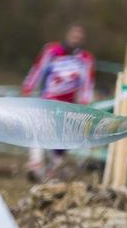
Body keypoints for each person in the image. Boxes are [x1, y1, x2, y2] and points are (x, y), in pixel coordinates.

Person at [22, 23, 96, 180]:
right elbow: (38, 69)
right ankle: (35, 164)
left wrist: (84, 102)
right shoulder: (52, 50)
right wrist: (28, 87)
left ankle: (54, 170)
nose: (75, 39)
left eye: (79, 37)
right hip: (48, 100)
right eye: (73, 35)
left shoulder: (85, 59)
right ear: (67, 34)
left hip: (68, 105)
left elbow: (87, 82)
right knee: (39, 129)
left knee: (61, 138)